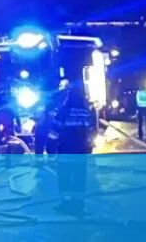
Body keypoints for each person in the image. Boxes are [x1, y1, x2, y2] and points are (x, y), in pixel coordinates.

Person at [53, 86, 97, 215]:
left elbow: (54, 131)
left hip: (65, 150)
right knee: (79, 177)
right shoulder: (85, 112)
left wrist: (50, 148)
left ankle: (66, 204)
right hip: (80, 151)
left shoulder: (64, 111)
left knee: (65, 177)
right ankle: (79, 205)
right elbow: (91, 131)